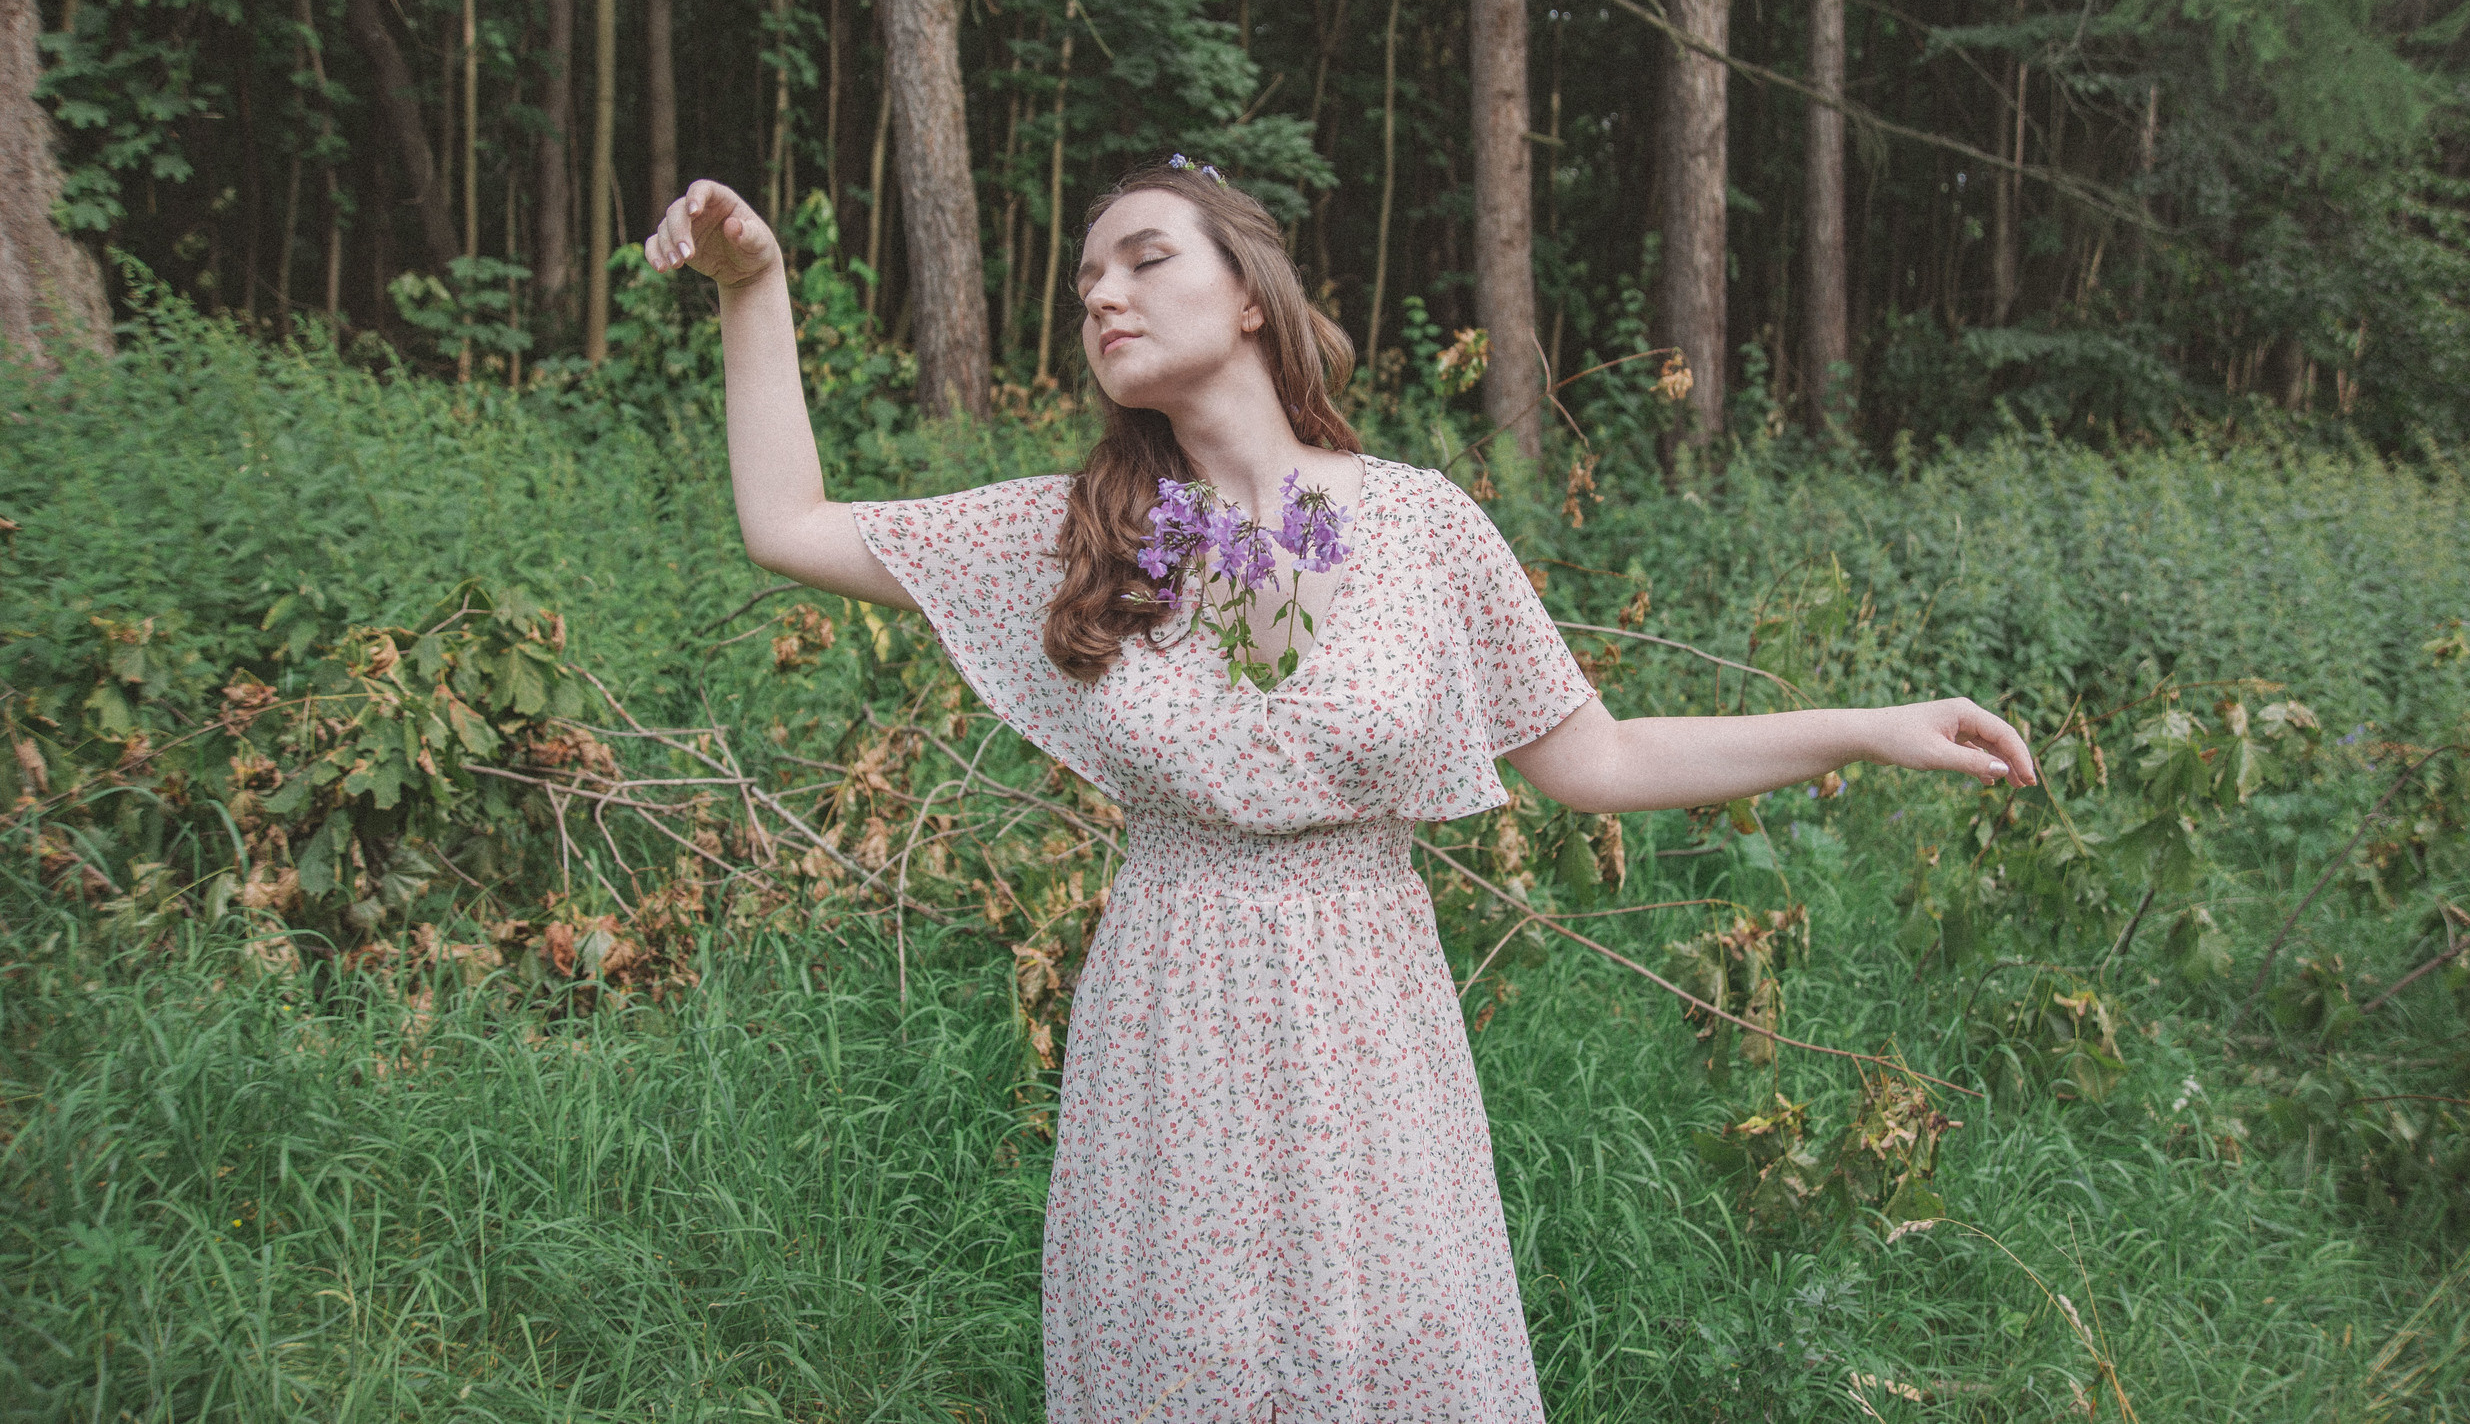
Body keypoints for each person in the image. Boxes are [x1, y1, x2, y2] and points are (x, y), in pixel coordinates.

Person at [646, 161, 2036, 1423]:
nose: (1104, 297)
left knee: (1393, 1368)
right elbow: (789, 523)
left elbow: (1596, 760)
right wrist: (756, 287)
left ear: (1250, 294)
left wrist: (1863, 724)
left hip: (1369, 1024)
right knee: (1181, 1371)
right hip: (1168, 1016)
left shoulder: (1417, 524)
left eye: (1142, 260)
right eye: (1085, 287)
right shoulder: (1086, 531)